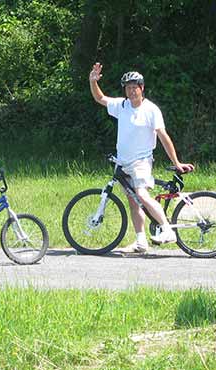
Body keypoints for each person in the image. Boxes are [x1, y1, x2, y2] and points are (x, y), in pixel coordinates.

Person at [89, 63, 194, 253]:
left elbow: (163, 136)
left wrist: (176, 162)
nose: (131, 91)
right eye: (128, 88)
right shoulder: (122, 105)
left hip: (141, 162)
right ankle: (140, 242)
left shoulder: (151, 110)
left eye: (134, 87)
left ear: (141, 88)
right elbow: (100, 98)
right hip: (123, 163)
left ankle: (167, 230)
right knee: (133, 202)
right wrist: (93, 81)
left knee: (143, 196)